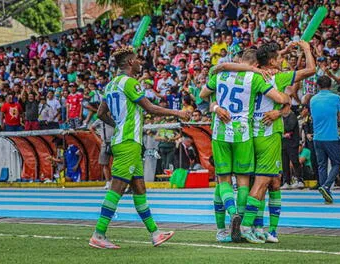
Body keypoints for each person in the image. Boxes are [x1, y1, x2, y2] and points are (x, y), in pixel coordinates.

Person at [211, 40, 315, 243]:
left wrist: (282, 108)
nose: (283, 60)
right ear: (272, 61)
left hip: (248, 135)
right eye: (281, 57)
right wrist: (307, 49)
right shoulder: (277, 76)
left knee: (263, 182)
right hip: (268, 135)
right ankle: (247, 225)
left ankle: (254, 227)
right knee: (265, 182)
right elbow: (310, 70)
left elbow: (217, 77)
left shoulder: (248, 75)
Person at [89, 47, 189, 249]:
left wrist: (117, 123)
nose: (139, 63)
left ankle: (155, 233)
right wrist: (177, 112)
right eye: (136, 60)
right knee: (117, 187)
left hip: (124, 140)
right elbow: (150, 108)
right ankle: (98, 234)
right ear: (129, 63)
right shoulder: (130, 83)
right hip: (128, 143)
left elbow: (100, 114)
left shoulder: (110, 85)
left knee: (139, 188)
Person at [199, 48, 289, 243]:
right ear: (257, 65)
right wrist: (286, 100)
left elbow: (203, 94)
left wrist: (215, 106)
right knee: (243, 182)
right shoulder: (255, 78)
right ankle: (241, 225)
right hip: (243, 134)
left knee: (222, 181)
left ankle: (227, 223)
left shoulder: (221, 75)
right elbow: (280, 99)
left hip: (220, 132)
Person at [310, 75, 340, 204]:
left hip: (317, 136)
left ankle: (326, 193)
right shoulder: (336, 98)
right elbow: (339, 116)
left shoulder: (313, 99)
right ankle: (326, 186)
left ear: (318, 86)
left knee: (322, 165)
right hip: (331, 136)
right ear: (330, 85)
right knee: (337, 163)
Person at [90, 119, 114, 190]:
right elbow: (91, 128)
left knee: (116, 162)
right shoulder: (100, 119)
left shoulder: (115, 117)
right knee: (104, 163)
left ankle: (116, 181)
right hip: (105, 143)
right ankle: (108, 182)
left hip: (115, 142)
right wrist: (97, 139)